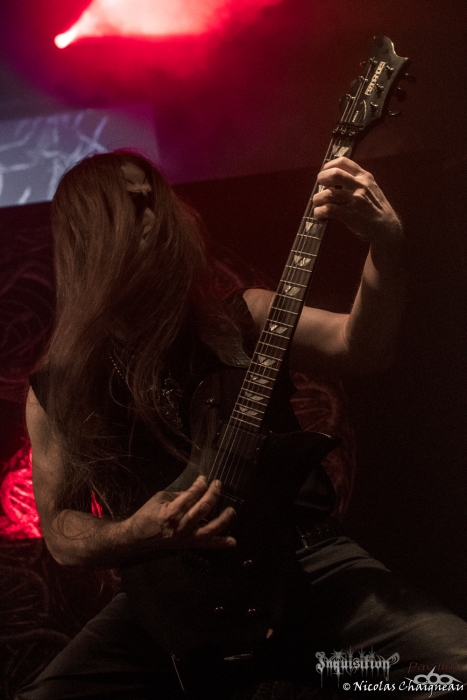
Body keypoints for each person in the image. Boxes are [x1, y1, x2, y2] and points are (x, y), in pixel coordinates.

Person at [18, 151, 466, 700]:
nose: (154, 214)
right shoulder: (58, 387)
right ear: (87, 229)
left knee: (452, 670)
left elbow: (361, 347)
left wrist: (386, 244)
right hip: (168, 594)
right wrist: (137, 531)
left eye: (154, 197)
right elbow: (60, 532)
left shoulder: (241, 316)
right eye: (131, 203)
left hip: (305, 563)